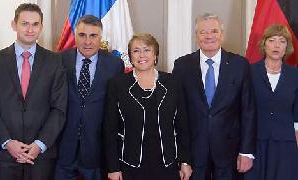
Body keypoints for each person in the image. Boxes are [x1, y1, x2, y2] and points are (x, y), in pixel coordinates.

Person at [172, 13, 256, 180]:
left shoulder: (240, 65)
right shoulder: (182, 65)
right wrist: (183, 157)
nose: (209, 36)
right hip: (194, 152)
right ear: (196, 36)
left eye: (214, 31)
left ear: (221, 35)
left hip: (229, 151)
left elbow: (248, 111)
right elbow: (177, 113)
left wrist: (247, 151)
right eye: (203, 32)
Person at [103, 33, 192, 180]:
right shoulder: (117, 84)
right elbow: (110, 129)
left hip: (167, 163)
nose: (141, 55)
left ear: (155, 54)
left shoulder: (173, 82)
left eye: (147, 50)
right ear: (130, 57)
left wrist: (185, 161)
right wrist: (113, 168)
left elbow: (182, 126)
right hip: (130, 164)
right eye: (136, 51)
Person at [0, 3, 67, 180]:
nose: (30, 29)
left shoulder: (55, 61)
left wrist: (39, 144)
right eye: (24, 23)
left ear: (41, 27)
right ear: (14, 24)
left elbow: (59, 109)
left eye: (35, 24)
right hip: (3, 155)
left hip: (41, 158)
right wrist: (7, 142)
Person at [54, 15, 124, 180]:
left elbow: (115, 107)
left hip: (96, 146)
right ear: (75, 35)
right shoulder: (59, 60)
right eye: (82, 35)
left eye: (93, 36)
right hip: (64, 144)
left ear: (101, 37)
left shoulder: (115, 65)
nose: (87, 42)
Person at [245, 24, 298, 180]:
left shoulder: (295, 75)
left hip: (285, 145)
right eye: (272, 40)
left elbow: (297, 117)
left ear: (287, 46)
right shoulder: (249, 72)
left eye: (282, 41)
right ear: (264, 44)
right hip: (255, 143)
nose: (276, 45)